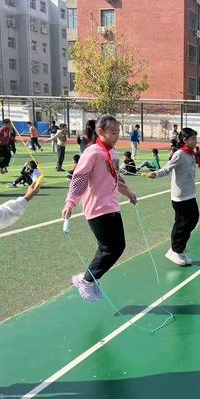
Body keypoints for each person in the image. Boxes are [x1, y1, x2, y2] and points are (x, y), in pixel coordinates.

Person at [62, 114, 137, 302]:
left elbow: (116, 178)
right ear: (100, 132)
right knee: (108, 248)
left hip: (112, 206)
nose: (116, 136)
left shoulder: (113, 153)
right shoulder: (92, 153)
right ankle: (86, 280)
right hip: (96, 208)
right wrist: (70, 203)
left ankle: (90, 278)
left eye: (118, 132)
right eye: (112, 132)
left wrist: (129, 193)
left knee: (117, 246)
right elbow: (79, 179)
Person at [147, 127, 200, 266]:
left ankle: (179, 248)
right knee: (183, 224)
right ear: (185, 140)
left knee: (191, 220)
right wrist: (156, 174)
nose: (195, 141)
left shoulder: (190, 153)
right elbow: (167, 168)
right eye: (193, 139)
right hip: (180, 196)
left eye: (196, 138)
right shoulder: (180, 154)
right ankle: (175, 250)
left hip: (190, 194)